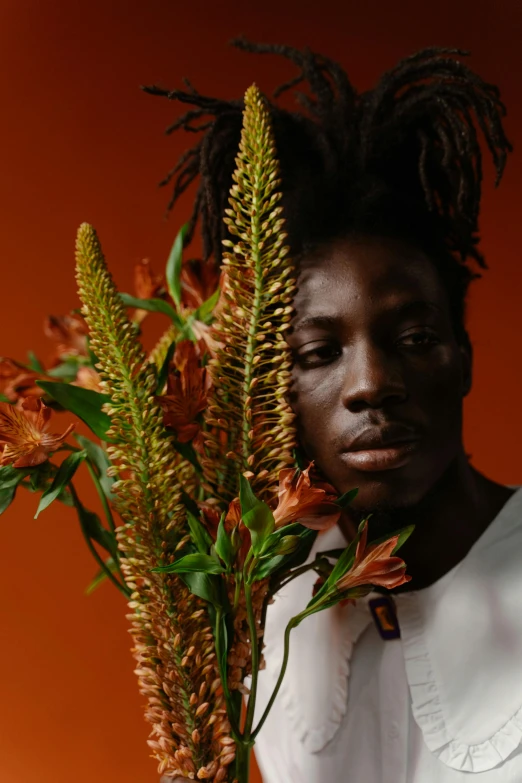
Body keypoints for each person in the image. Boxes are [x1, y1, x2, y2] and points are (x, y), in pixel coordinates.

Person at [154, 40, 521, 782]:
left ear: (464, 356)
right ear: (273, 387)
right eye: (319, 351)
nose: (370, 383)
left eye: (414, 337)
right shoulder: (253, 605)